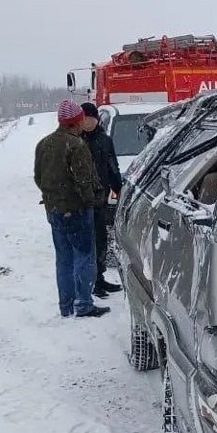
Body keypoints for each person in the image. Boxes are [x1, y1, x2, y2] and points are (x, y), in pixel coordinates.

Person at [34, 100, 109, 318]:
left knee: (64, 259)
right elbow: (84, 181)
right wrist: (92, 201)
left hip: (54, 210)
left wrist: (54, 197)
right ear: (77, 121)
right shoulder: (77, 146)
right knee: (84, 257)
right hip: (77, 211)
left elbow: (38, 177)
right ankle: (84, 304)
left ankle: (66, 306)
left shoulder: (44, 144)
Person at [80, 102, 124, 298]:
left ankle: (99, 278)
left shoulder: (104, 140)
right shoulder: (76, 140)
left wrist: (118, 188)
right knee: (86, 243)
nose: (87, 122)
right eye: (83, 118)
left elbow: (112, 165)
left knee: (100, 240)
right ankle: (88, 282)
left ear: (96, 119)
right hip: (82, 201)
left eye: (90, 118)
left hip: (100, 199)